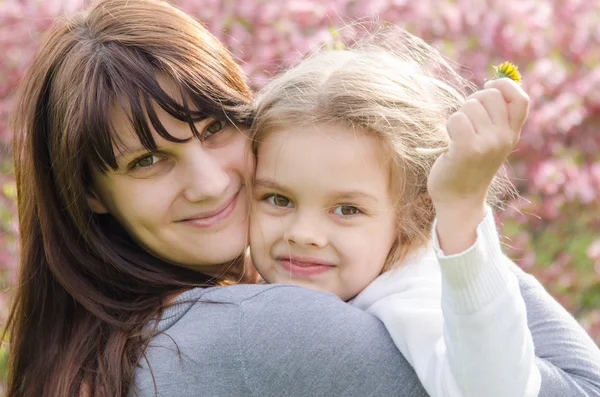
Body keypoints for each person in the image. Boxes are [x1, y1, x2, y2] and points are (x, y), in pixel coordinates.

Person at [3, 0, 600, 396]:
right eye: (149, 161)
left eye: (214, 128)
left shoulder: (114, 339)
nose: (211, 183)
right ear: (89, 194)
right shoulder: (260, 329)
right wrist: (450, 219)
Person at [248, 37, 538, 397]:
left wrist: (462, 203)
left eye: (347, 209)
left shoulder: (408, 293)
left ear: (414, 214)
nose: (304, 233)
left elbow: (494, 391)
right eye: (278, 199)